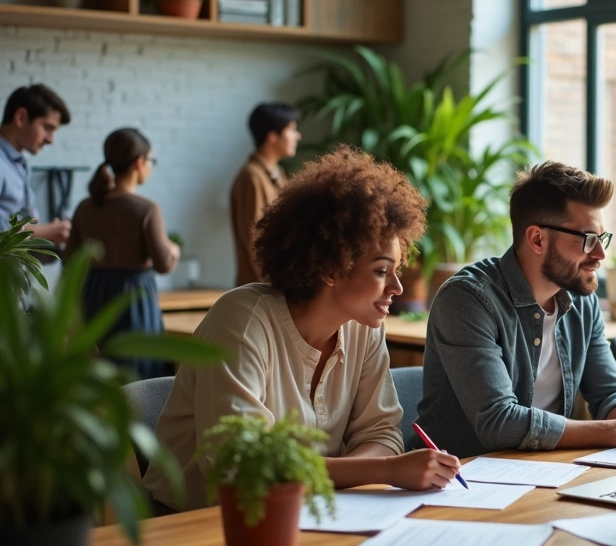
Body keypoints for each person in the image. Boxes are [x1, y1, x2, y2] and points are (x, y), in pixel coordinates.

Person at [144, 146, 459, 513]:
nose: (397, 288)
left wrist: (368, 472)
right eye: (380, 271)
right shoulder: (242, 321)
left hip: (315, 512)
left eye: (396, 269)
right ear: (330, 267)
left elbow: (381, 434)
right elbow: (243, 467)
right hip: (204, 522)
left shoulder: (364, 327)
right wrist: (385, 470)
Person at [413, 160, 616, 458]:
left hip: (548, 473)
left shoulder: (582, 300)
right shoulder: (467, 299)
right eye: (588, 240)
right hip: (460, 482)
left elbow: (611, 391)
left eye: (602, 238)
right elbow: (499, 422)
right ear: (537, 239)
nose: (600, 254)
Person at [65, 128, 178, 380]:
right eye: (150, 161)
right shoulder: (146, 209)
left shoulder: (85, 207)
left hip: (94, 297)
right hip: (134, 300)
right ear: (139, 162)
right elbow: (164, 264)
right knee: (139, 372)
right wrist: (174, 249)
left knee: (100, 372)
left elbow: (70, 259)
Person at [230, 101, 301, 286]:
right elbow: (256, 241)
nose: (298, 136)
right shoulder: (252, 178)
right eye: (291, 129)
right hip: (262, 292)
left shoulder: (276, 173)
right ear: (272, 136)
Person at [0, 84, 72, 244]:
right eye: (47, 127)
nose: (51, 139)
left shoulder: (19, 164)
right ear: (20, 117)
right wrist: (46, 231)